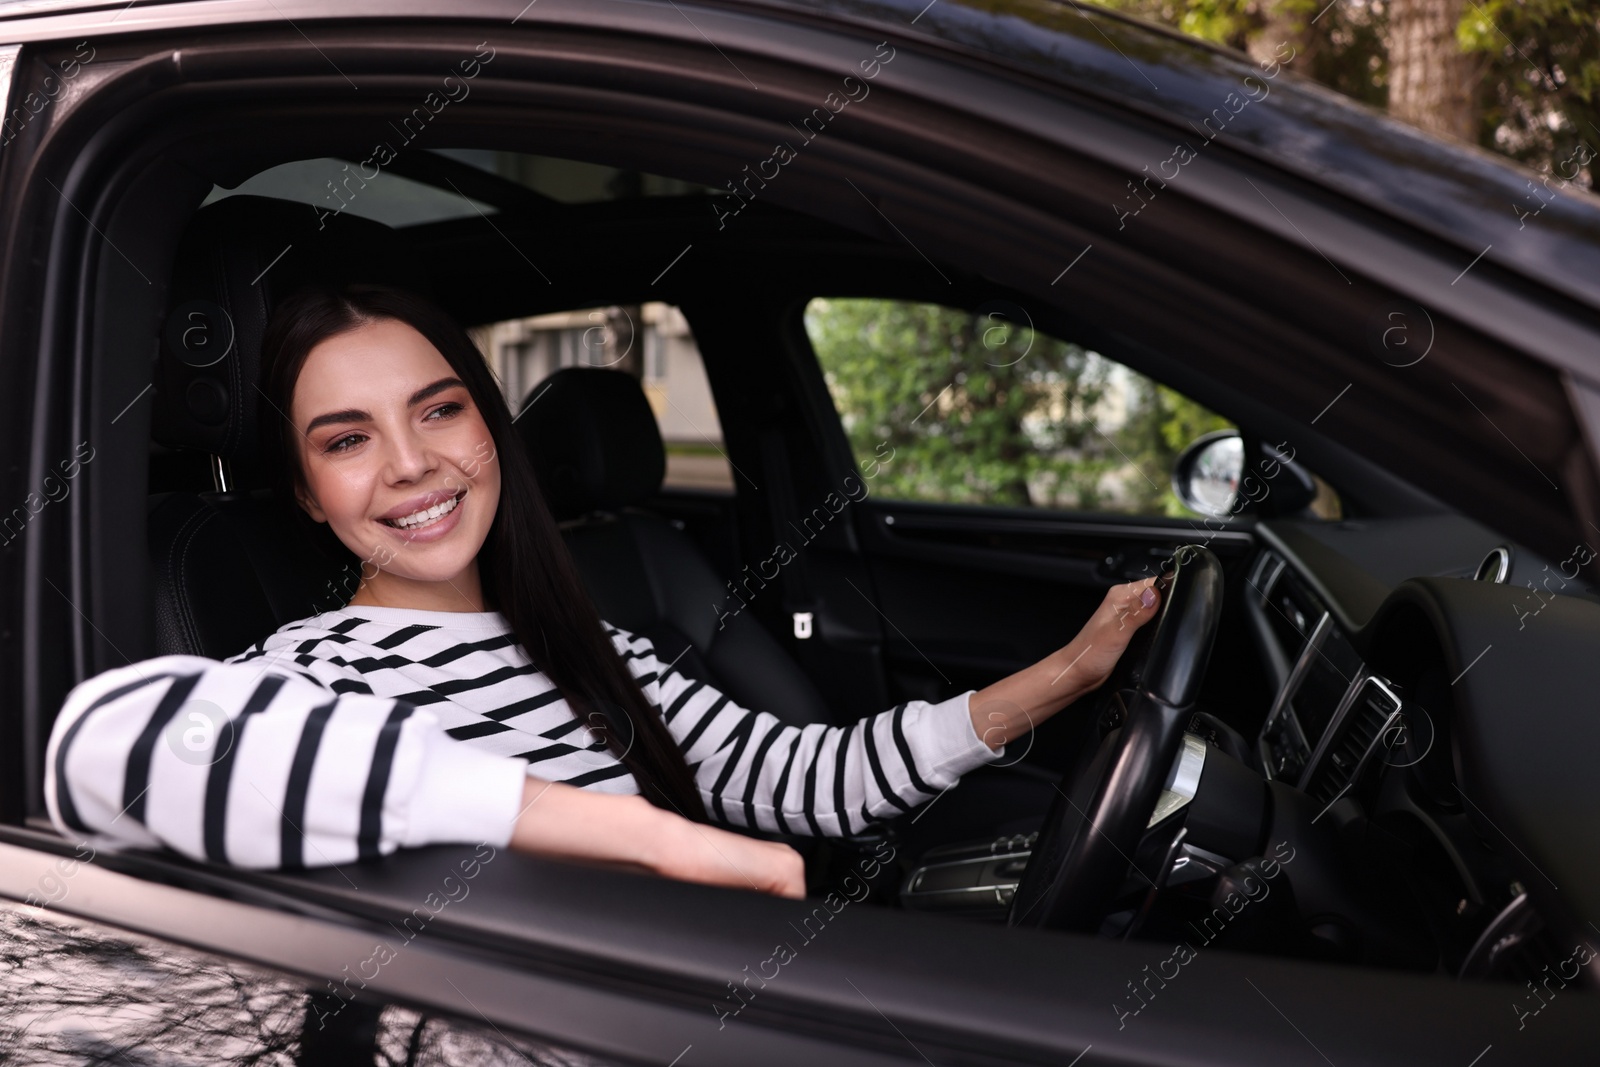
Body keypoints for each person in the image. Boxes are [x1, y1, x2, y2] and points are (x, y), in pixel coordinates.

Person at [44, 283, 1161, 901]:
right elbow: (103, 746)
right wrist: (656, 842)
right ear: (304, 490)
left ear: (490, 424)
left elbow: (808, 781)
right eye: (347, 439)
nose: (412, 464)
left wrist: (1072, 671)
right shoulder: (311, 675)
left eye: (439, 410)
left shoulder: (587, 638)